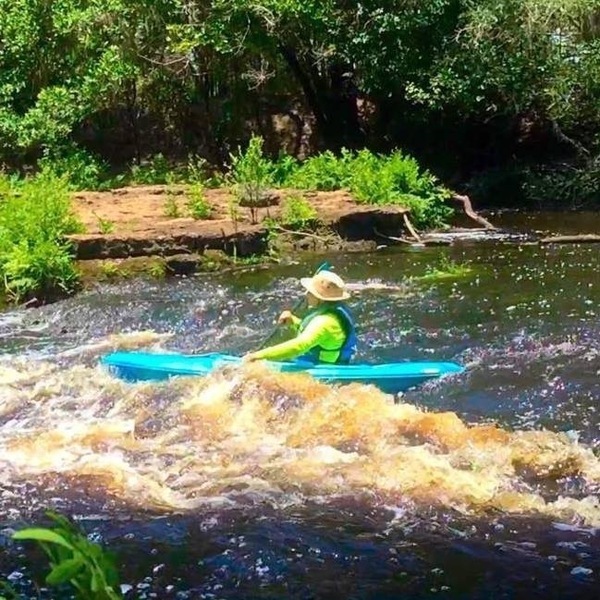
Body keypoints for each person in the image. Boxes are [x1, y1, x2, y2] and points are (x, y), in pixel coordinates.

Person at [244, 270, 357, 364]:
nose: (306, 294)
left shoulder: (325, 322)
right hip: (323, 362)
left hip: (323, 371)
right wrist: (293, 321)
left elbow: (299, 346)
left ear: (320, 298)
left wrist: (257, 356)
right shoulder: (332, 313)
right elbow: (318, 334)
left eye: (310, 292)